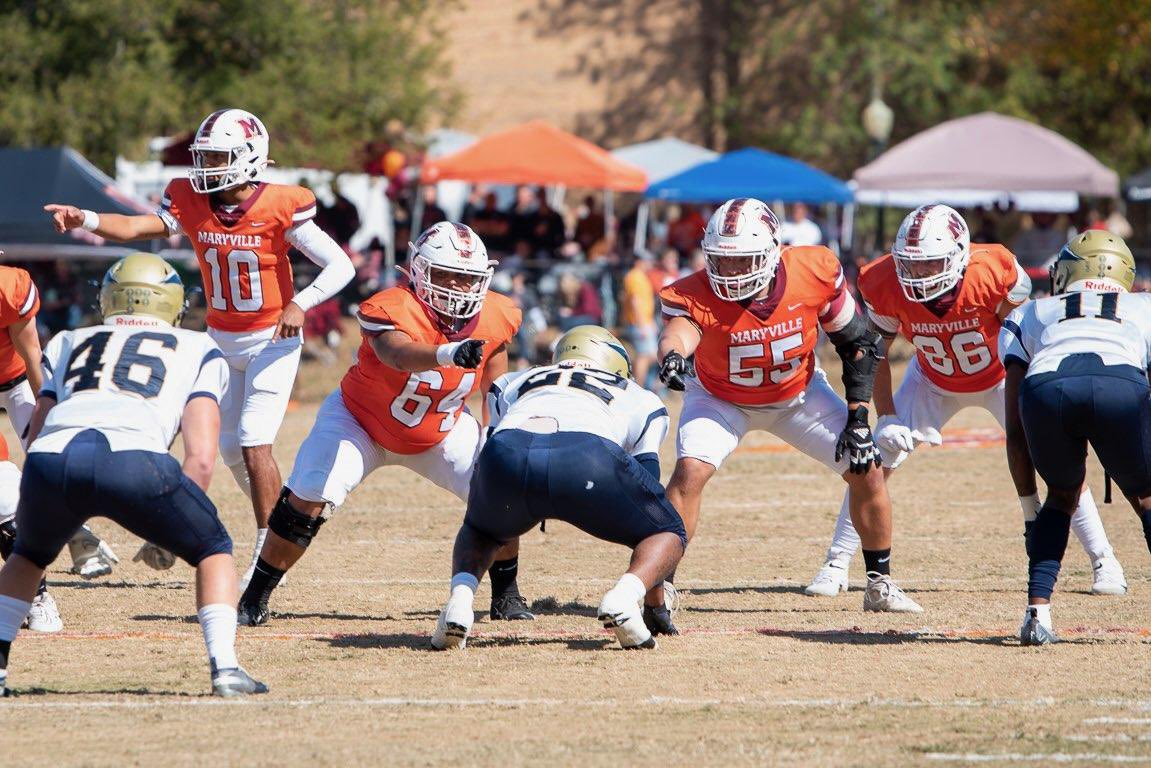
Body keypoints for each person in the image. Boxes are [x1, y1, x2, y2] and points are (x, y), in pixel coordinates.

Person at [45, 108, 355, 587]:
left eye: (217, 155)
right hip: (219, 336)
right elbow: (136, 229)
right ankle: (287, 520)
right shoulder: (190, 198)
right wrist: (83, 216)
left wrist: (301, 303)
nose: (207, 165)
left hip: (274, 337)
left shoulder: (281, 204)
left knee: (253, 440)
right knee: (228, 447)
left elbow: (340, 266)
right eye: (204, 155)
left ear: (249, 158)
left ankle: (266, 556)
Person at [803, 205, 1124, 597]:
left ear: (958, 255)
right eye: (911, 264)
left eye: (930, 264)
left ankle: (1104, 560)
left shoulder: (992, 270)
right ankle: (836, 563)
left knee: (1058, 464)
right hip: (932, 378)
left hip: (1000, 378)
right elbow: (877, 353)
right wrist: (886, 416)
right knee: (870, 462)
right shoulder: (886, 281)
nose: (918, 275)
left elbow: (1026, 333)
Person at [0, 253, 265, 697]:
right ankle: (226, 668)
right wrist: (166, 533)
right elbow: (200, 457)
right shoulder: (199, 348)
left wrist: (48, 504)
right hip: (136, 458)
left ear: (109, 298)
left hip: (52, 459)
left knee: (26, 557)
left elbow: (38, 428)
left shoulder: (69, 340)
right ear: (172, 303)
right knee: (215, 548)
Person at [238, 223, 529, 625]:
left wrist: (493, 432)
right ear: (420, 271)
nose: (458, 287)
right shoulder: (391, 305)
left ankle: (507, 596)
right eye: (446, 275)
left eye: (467, 278)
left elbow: (493, 373)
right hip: (360, 423)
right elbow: (397, 354)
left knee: (502, 488)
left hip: (439, 428)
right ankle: (256, 595)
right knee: (307, 496)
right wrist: (446, 353)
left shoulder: (497, 313)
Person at [656, 197, 921, 614]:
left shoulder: (811, 271)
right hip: (721, 398)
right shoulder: (695, 290)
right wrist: (671, 354)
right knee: (689, 472)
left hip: (798, 396)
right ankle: (660, 585)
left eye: (741, 261)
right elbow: (680, 329)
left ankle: (879, 583)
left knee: (867, 467)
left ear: (771, 252)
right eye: (721, 261)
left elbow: (858, 345)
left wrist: (858, 418)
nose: (728, 271)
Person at [432, 326, 685, 650]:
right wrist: (654, 605)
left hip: (508, 451)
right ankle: (624, 598)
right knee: (668, 530)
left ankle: (460, 602)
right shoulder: (642, 398)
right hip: (587, 455)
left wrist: (512, 506)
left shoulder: (513, 381)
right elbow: (649, 493)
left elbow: (489, 448)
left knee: (480, 528)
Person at [1000, 232, 1151, 644]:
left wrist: (1029, 507)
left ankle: (1038, 614)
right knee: (1146, 497)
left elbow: (1014, 429)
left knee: (1061, 497)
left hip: (1047, 388)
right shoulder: (1144, 305)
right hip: (1119, 383)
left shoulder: (1031, 310)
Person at [619, 253, 659, 387]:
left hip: (643, 322)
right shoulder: (634, 276)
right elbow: (635, 301)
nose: (649, 263)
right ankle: (638, 388)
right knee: (645, 356)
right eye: (646, 260)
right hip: (639, 323)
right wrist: (643, 324)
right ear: (639, 262)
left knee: (649, 355)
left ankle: (642, 386)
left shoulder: (640, 276)